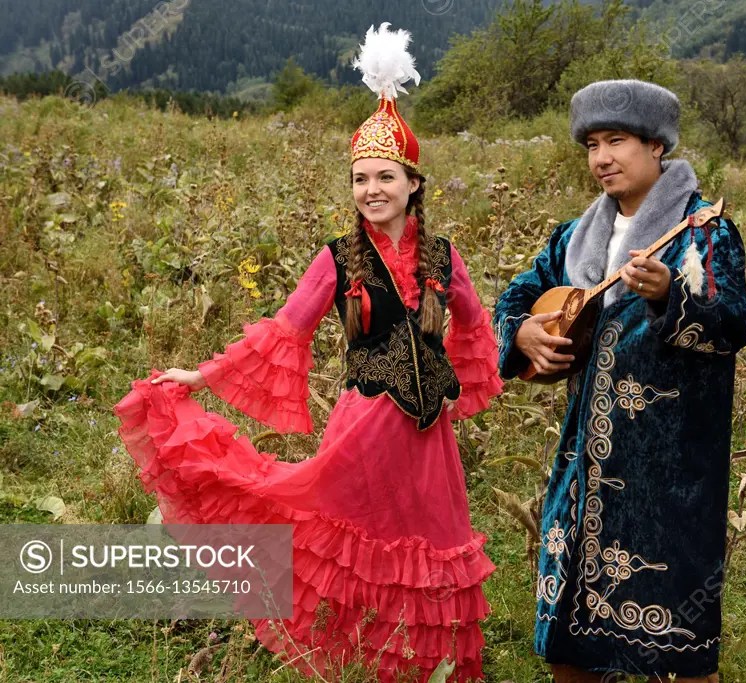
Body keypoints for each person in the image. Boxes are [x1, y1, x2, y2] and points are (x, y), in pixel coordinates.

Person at [114, 25, 502, 683]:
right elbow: (284, 331)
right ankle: (355, 660)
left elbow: (476, 328)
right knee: (348, 544)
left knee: (430, 549)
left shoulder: (444, 257)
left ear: (414, 183)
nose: (371, 189)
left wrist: (457, 378)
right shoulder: (338, 258)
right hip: (364, 430)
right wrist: (202, 374)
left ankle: (423, 664)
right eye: (359, 179)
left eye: (385, 176)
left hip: (430, 443)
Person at [494, 80, 746, 682]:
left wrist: (672, 296)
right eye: (591, 144)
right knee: (570, 647)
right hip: (585, 469)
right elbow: (512, 304)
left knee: (680, 650)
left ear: (657, 147)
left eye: (618, 141)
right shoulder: (573, 238)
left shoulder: (703, 233)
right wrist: (524, 336)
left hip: (671, 477)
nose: (602, 158)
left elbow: (733, 325)